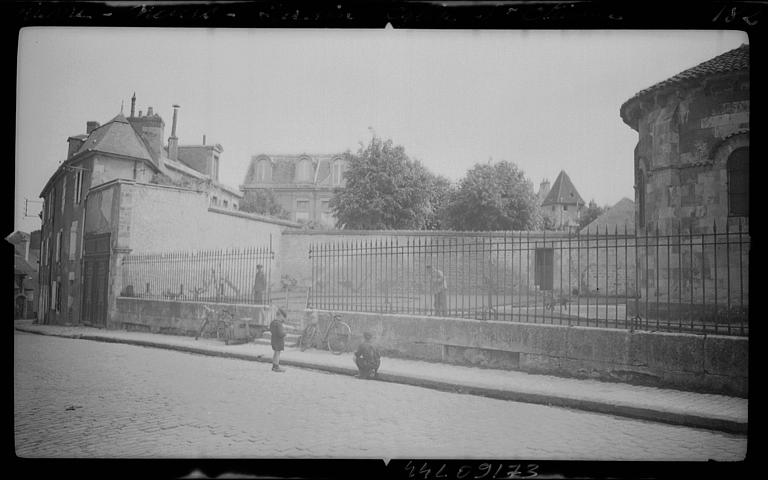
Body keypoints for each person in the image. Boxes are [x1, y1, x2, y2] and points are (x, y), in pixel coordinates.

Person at [270, 307, 288, 372]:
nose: (283, 319)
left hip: (274, 341)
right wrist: (285, 333)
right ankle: (276, 366)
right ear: (280, 316)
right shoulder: (279, 324)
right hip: (279, 342)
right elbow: (281, 334)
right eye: (283, 317)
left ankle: (274, 365)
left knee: (275, 353)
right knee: (277, 354)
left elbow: (272, 331)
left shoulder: (273, 323)